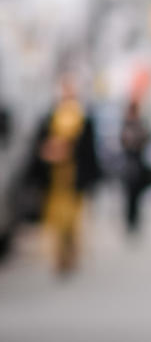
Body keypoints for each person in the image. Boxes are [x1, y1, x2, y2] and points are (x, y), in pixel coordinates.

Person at [28, 73, 100, 274]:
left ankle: (71, 255)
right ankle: (59, 257)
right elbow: (39, 147)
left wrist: (68, 151)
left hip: (74, 178)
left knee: (73, 220)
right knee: (56, 219)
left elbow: (88, 153)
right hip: (55, 180)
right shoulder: (50, 118)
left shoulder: (84, 120)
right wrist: (49, 153)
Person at [120, 96, 149, 235]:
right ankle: (130, 220)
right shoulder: (127, 124)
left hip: (137, 164)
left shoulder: (139, 124)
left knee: (136, 195)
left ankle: (135, 220)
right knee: (129, 195)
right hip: (129, 164)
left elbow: (144, 141)